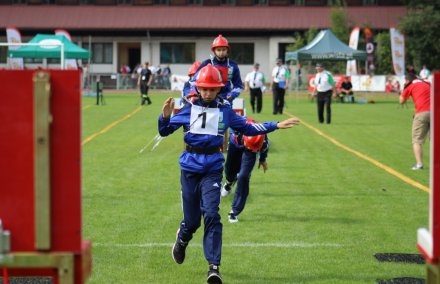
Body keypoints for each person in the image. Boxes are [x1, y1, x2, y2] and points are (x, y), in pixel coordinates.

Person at [158, 64, 300, 284]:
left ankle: (213, 268)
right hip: (189, 169)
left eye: (211, 89)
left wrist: (276, 125)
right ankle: (182, 238)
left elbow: (249, 128)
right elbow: (164, 131)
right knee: (192, 222)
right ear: (198, 88)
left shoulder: (225, 111)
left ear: (218, 90)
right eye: (204, 88)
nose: (207, 93)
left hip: (213, 170)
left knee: (212, 215)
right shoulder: (188, 108)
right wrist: (165, 118)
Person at [221, 118, 270, 223]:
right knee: (229, 170)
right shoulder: (236, 128)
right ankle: (229, 182)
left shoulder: (263, 139)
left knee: (243, 176)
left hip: (250, 154)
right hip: (235, 145)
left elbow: (265, 148)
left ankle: (234, 211)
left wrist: (262, 159)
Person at [191, 34, 243, 103]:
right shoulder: (206, 64)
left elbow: (238, 86)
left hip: (226, 100)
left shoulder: (233, 65)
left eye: (223, 50)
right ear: (214, 51)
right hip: (207, 99)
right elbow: (193, 81)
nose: (221, 52)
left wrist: (233, 94)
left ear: (227, 50)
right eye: (218, 50)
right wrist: (195, 94)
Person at [399, 74, 431, 170]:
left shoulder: (410, 85)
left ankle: (419, 164)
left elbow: (401, 101)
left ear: (407, 80)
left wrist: (403, 90)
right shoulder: (428, 83)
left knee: (417, 140)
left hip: (422, 113)